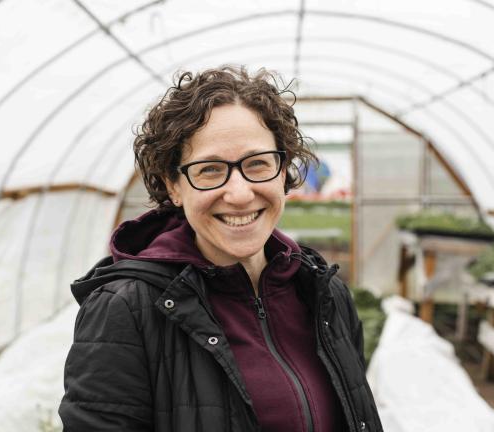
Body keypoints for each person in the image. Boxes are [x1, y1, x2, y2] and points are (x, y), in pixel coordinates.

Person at [59, 66, 382, 432]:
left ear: (283, 170)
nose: (240, 193)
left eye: (258, 164)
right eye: (210, 169)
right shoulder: (126, 310)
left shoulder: (324, 293)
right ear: (174, 186)